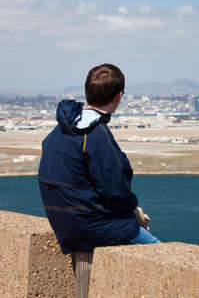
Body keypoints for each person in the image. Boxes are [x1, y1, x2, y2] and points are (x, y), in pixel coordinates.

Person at [38, 63, 159, 255]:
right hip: (91, 227)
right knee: (160, 254)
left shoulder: (61, 128)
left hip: (64, 224)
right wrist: (134, 214)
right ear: (119, 96)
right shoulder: (95, 133)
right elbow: (114, 187)